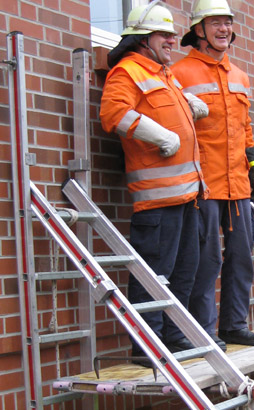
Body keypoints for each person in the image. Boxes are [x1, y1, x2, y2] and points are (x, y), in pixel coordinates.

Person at [99, 0, 210, 359]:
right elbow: (113, 113)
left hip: (188, 195)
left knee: (184, 273)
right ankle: (147, 345)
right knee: (154, 276)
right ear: (143, 38)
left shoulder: (164, 74)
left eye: (173, 35)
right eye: (164, 34)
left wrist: (187, 102)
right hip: (158, 199)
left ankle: (175, 336)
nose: (171, 41)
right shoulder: (127, 70)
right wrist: (161, 136)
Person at [171, 0, 254, 349]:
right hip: (204, 185)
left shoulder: (240, 75)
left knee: (242, 256)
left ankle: (233, 325)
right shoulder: (180, 73)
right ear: (198, 30)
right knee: (206, 261)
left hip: (238, 185)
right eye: (215, 23)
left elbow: (246, 131)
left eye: (227, 22)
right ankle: (203, 332)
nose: (223, 29)